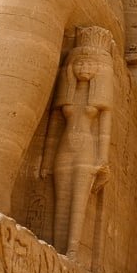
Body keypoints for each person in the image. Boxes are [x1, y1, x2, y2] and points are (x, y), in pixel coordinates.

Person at [41, 26, 114, 258]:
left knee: (80, 200)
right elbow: (52, 131)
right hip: (64, 148)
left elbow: (104, 131)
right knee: (61, 199)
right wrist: (45, 159)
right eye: (80, 64)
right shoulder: (67, 96)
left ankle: (73, 248)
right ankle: (56, 247)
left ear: (99, 70)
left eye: (90, 64)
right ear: (71, 67)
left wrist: (103, 160)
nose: (84, 68)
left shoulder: (100, 101)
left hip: (87, 150)